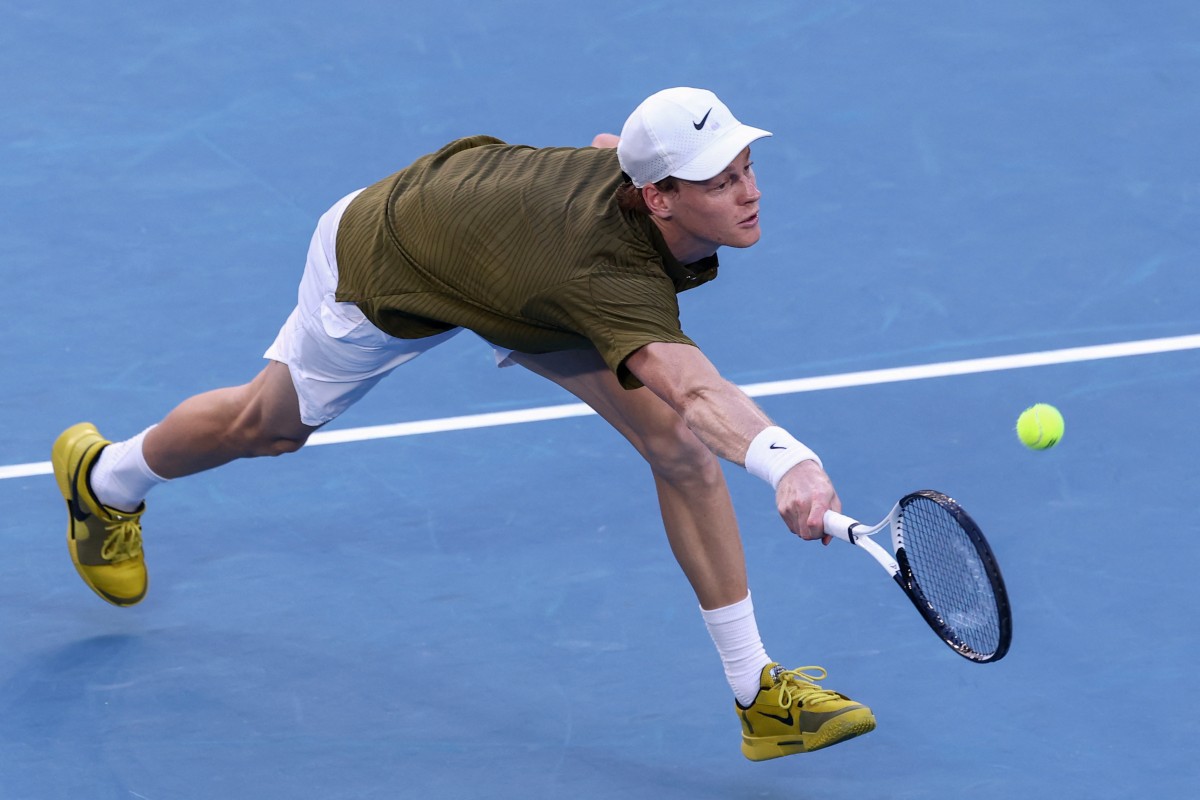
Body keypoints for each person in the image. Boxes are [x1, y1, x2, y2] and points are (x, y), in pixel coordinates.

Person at [51, 87, 876, 761]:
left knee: (678, 451)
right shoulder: (607, 274)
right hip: (389, 254)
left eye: (746, 167)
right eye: (720, 181)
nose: (750, 191)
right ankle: (103, 479)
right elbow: (694, 385)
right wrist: (786, 461)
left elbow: (602, 144)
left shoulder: (627, 179)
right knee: (266, 425)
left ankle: (758, 697)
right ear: (656, 197)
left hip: (511, 262)